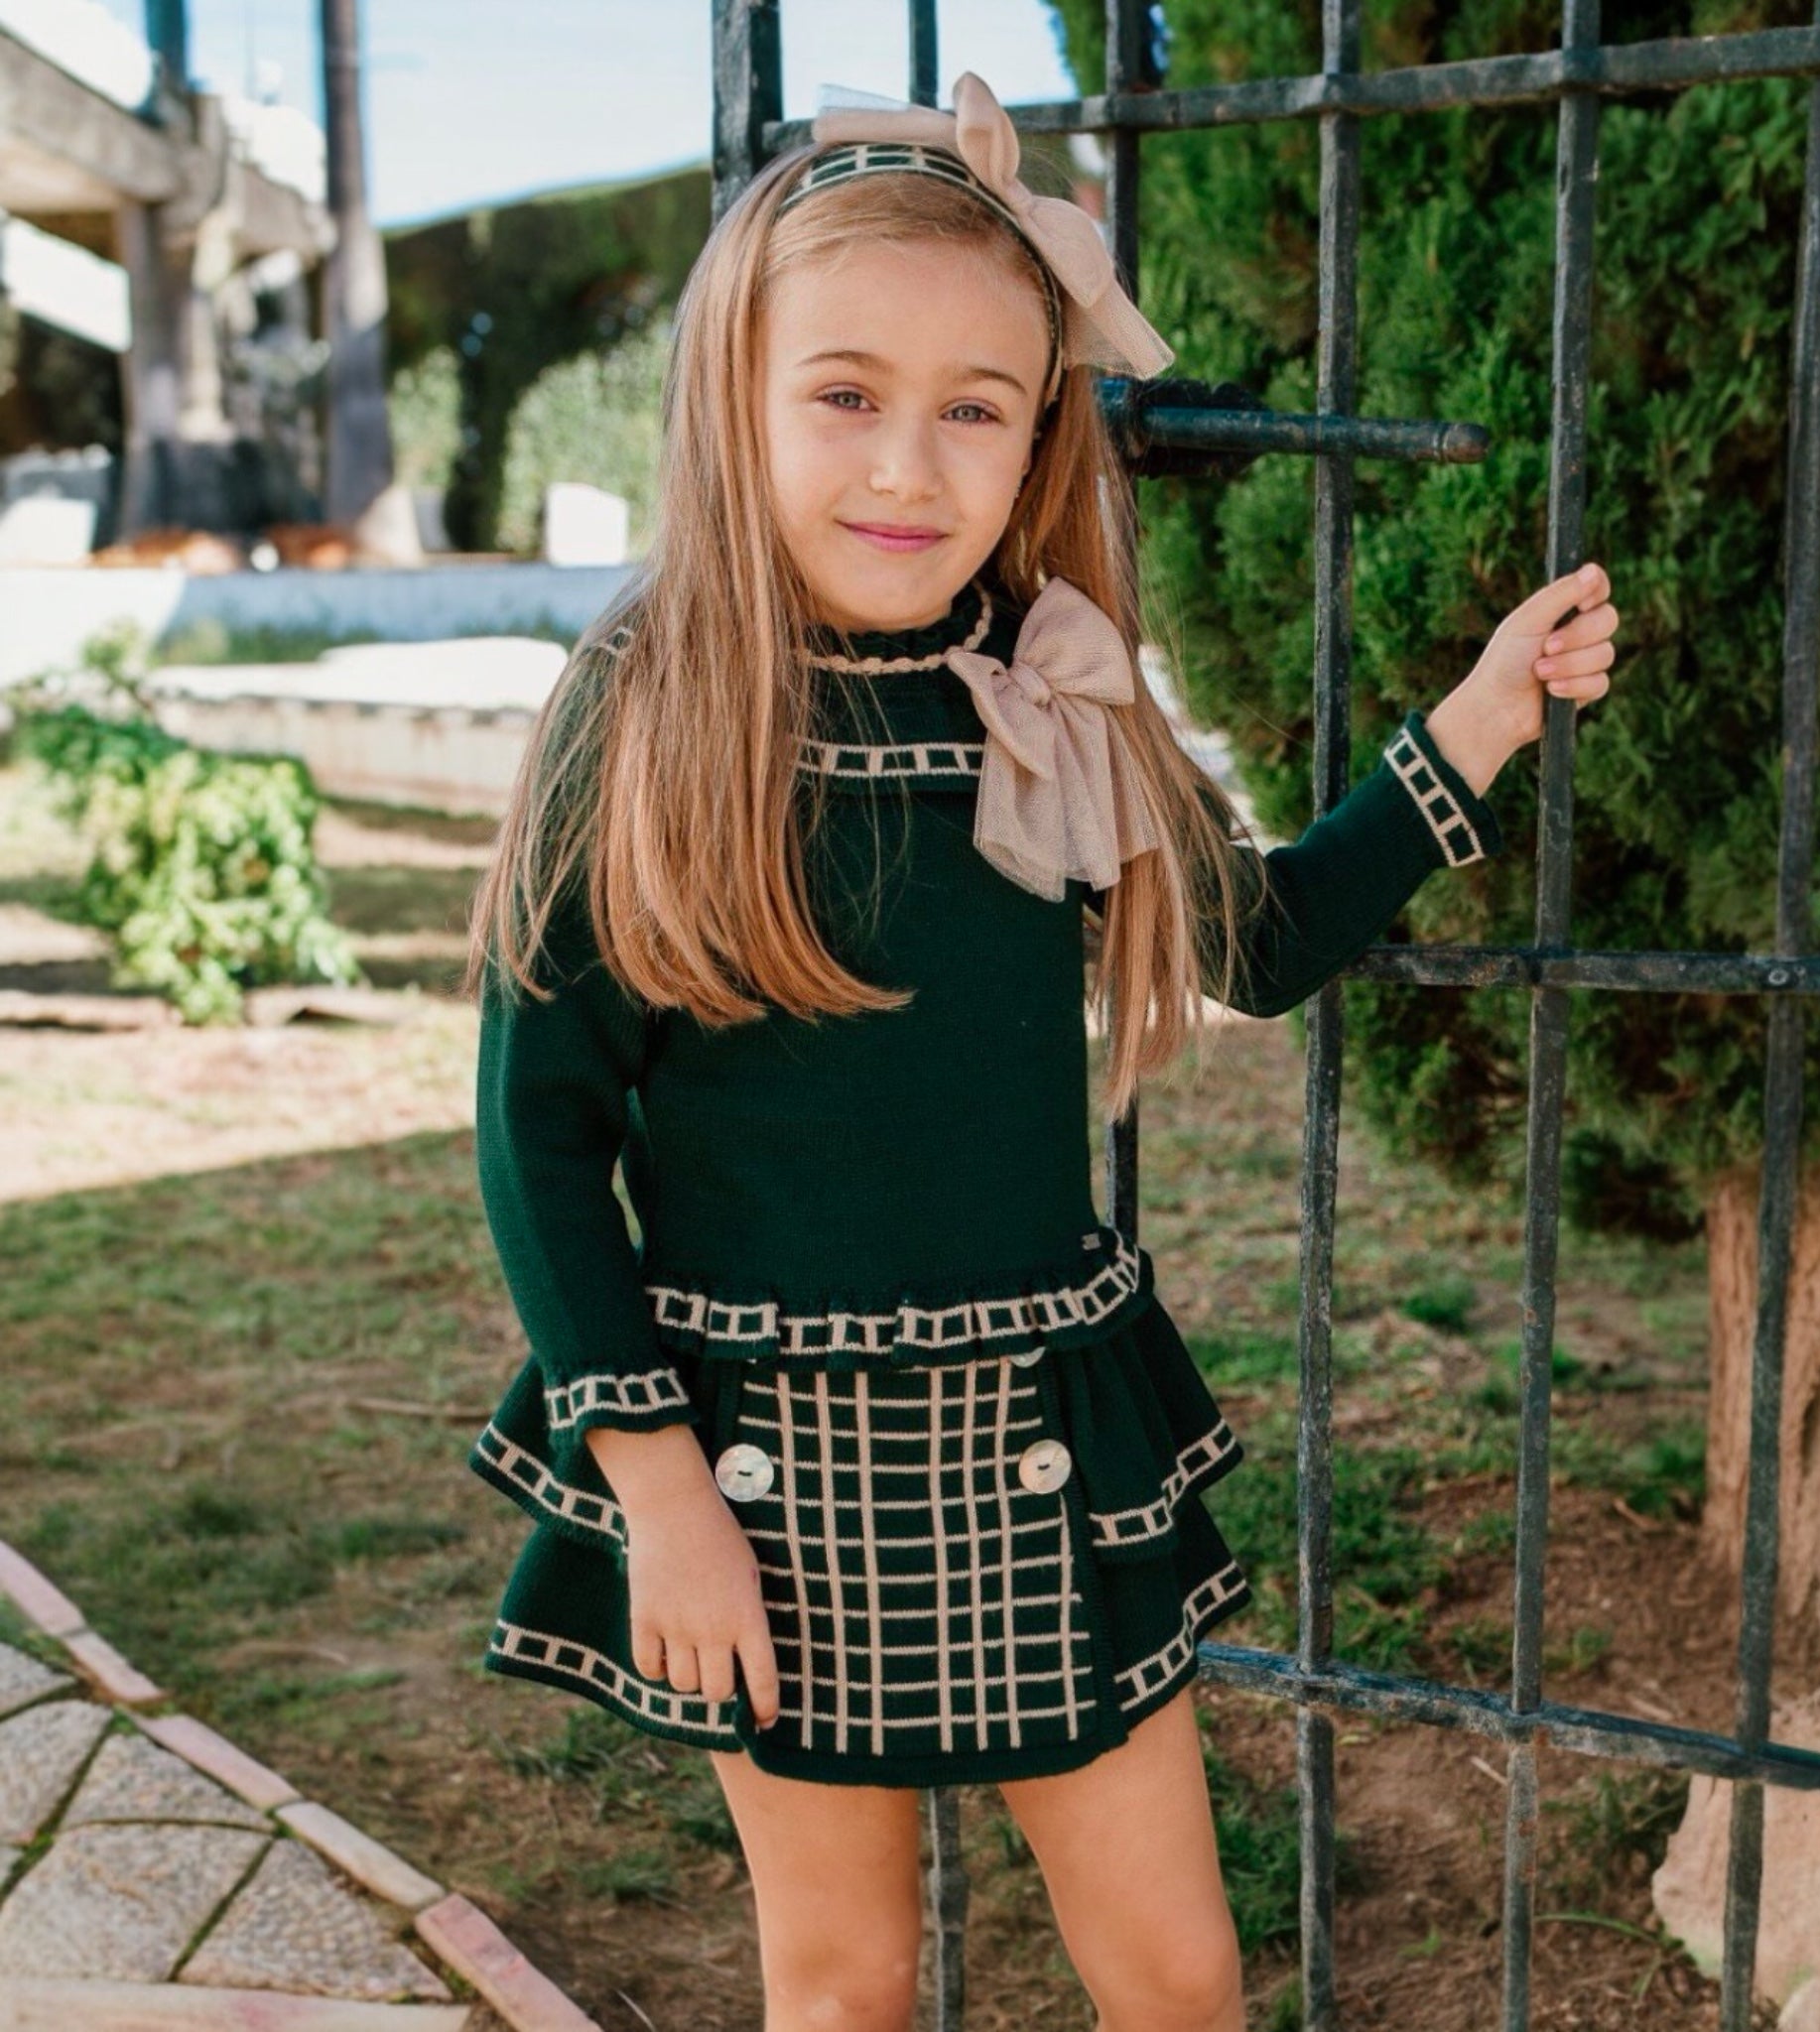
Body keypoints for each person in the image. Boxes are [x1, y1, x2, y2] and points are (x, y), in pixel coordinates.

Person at [459, 70, 1619, 2032]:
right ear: (731, 402)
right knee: (842, 1984)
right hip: (765, 1466)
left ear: (1034, 436)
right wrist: (655, 1489)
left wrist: (1480, 720)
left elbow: (1245, 938)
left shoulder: (1047, 696)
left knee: (1176, 1970)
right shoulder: (643, 712)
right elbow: (541, 1139)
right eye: (843, 393)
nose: (907, 463)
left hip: (1039, 1446)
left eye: (974, 407)